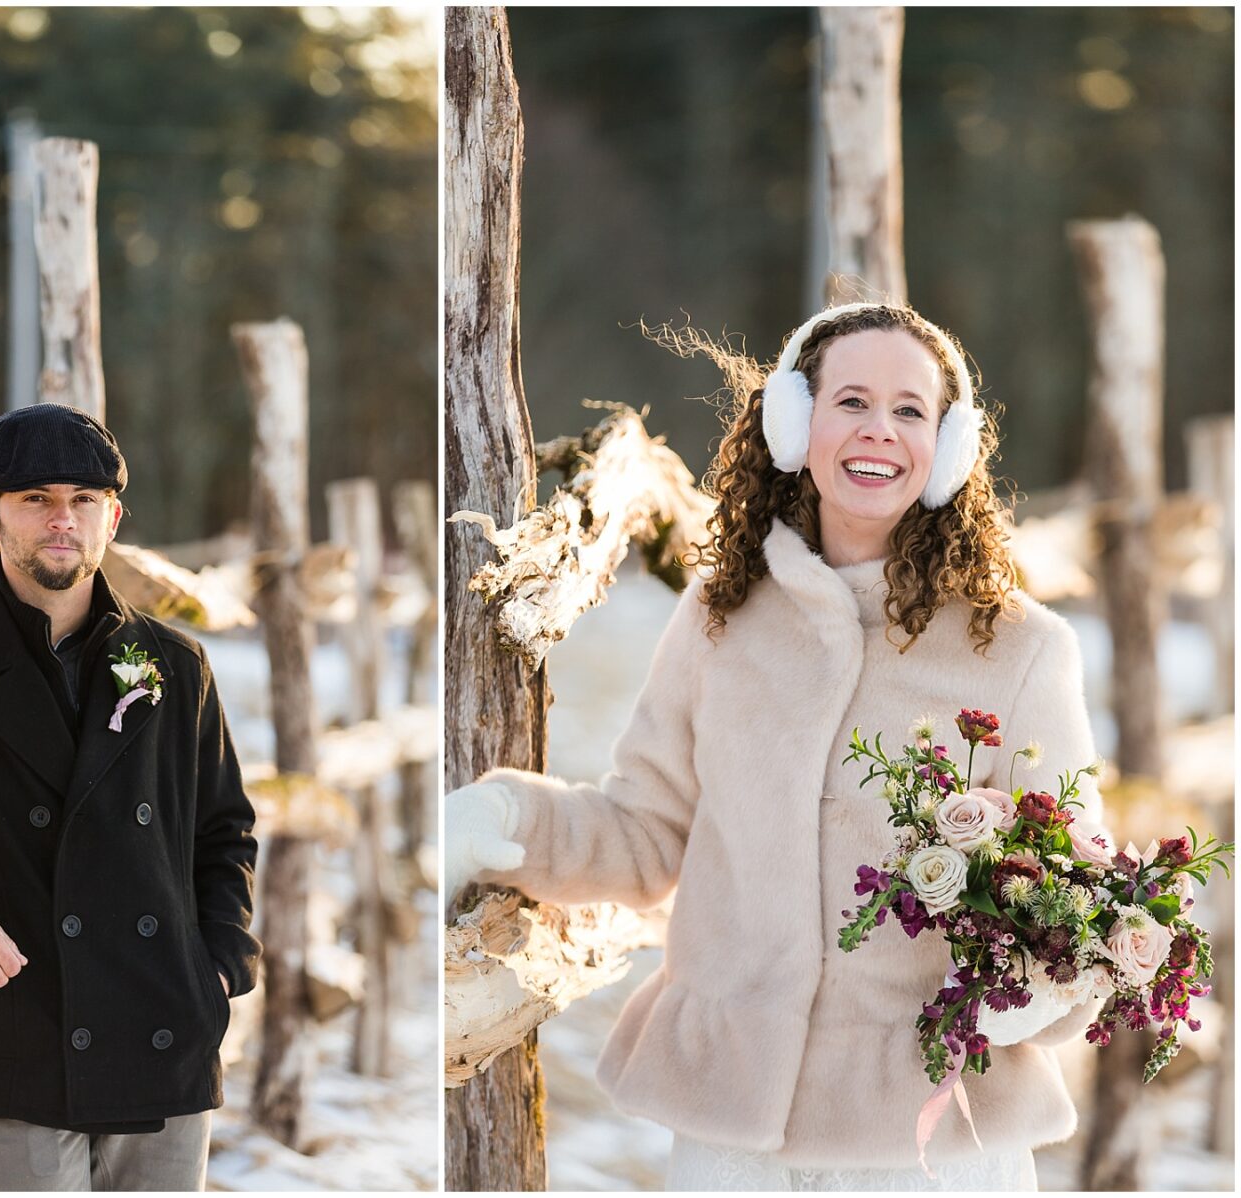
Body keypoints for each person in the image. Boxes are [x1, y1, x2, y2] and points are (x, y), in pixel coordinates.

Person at [446, 303, 1105, 1191]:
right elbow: (648, 831)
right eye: (852, 402)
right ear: (795, 422)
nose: (880, 431)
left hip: (933, 1143)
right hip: (732, 1135)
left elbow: (1072, 889)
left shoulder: (1019, 648)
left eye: (910, 410)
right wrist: (509, 817)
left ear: (949, 446)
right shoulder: (719, 617)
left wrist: (1033, 995)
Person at [0, 403, 260, 1191]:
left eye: (83, 501)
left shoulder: (174, 664)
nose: (63, 520)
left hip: (165, 1021)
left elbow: (224, 831)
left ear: (113, 518)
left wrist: (220, 964)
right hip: (14, 1019)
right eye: (37, 500)